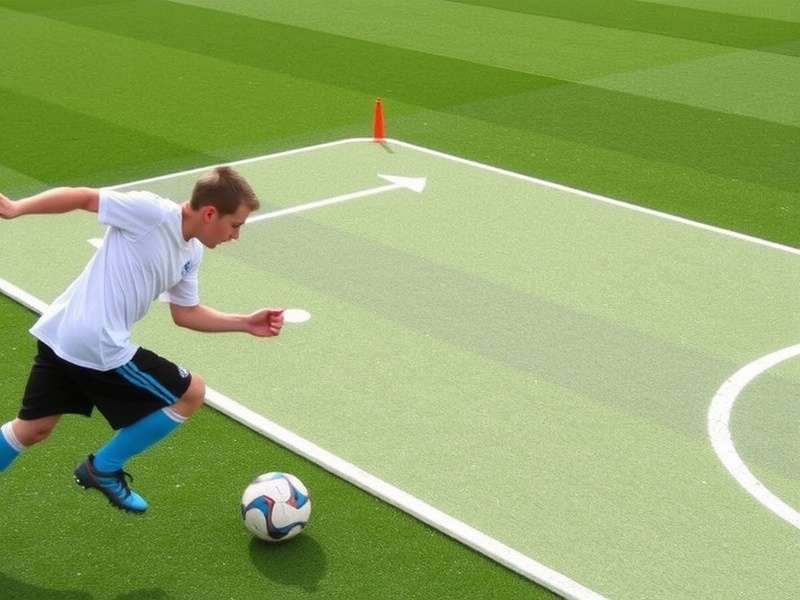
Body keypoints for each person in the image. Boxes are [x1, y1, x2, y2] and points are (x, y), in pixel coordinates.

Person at [0, 166, 284, 513]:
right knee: (191, 393)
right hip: (97, 343)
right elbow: (84, 197)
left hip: (61, 333)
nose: (236, 235)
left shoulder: (191, 252)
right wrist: (16, 208)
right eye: (235, 225)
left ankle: (101, 467)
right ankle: (103, 468)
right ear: (210, 213)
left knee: (32, 429)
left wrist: (244, 323)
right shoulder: (152, 212)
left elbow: (186, 313)